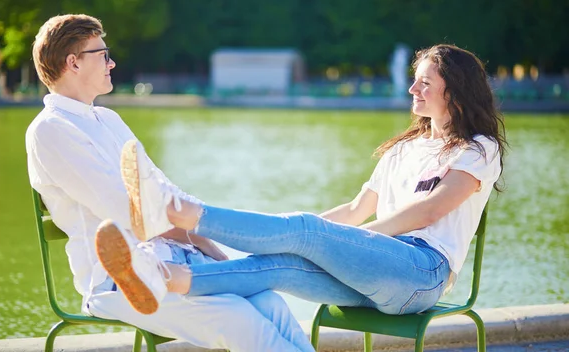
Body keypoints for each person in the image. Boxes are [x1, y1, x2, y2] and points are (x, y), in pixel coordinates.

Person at [96, 44, 507, 317]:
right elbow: (354, 210)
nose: (412, 87)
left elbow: (429, 211)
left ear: (455, 91)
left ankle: (173, 210)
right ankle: (163, 279)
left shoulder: (478, 148)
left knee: (306, 232)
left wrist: (337, 240)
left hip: (421, 272)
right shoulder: (403, 149)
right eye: (415, 78)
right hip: (375, 273)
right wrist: (318, 239)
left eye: (425, 82)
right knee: (285, 265)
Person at [26, 14, 316, 352]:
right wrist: (203, 238)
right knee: (239, 318)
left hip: (177, 259)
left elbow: (165, 193)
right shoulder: (51, 130)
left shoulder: (107, 119)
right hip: (118, 281)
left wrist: (202, 235)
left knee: (271, 303)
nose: (112, 62)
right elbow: (127, 211)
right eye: (103, 54)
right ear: (73, 63)